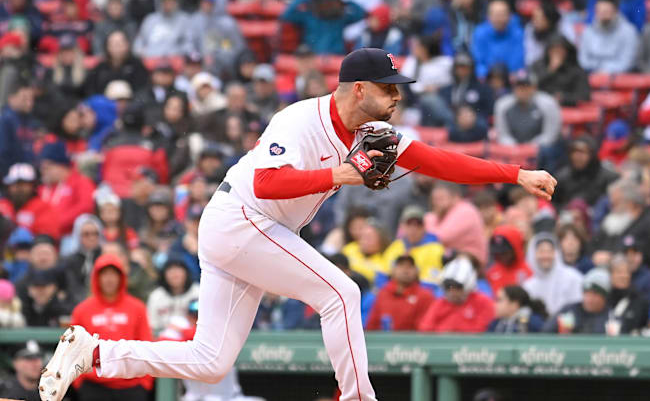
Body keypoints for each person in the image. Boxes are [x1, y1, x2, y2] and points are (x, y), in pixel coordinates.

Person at [40, 47, 556, 401]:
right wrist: (342, 174)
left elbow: (440, 161)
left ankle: (97, 351)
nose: (397, 95)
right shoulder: (298, 119)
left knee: (212, 360)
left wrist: (515, 174)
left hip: (251, 231)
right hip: (242, 218)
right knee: (342, 293)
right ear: (358, 89)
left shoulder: (377, 132)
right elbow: (266, 183)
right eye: (388, 87)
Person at [69, 253, 154, 400]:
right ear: (97, 278)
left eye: (113, 274)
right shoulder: (82, 310)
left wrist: (145, 382)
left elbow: (146, 343)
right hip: (93, 387)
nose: (109, 279)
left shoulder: (137, 307)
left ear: (121, 277)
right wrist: (79, 383)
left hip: (132, 386)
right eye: (105, 274)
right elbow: (73, 349)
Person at [591, 179, 650, 270]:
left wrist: (613, 257)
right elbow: (593, 244)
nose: (610, 207)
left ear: (631, 203)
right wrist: (595, 255)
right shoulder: (611, 220)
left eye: (615, 203)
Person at [419, 255, 495, 333]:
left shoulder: (483, 302)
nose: (452, 292)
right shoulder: (440, 303)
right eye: (448, 287)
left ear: (468, 286)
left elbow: (481, 330)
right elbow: (425, 328)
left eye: (458, 287)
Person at [37, 141, 96, 236]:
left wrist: (56, 222)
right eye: (42, 168)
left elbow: (86, 206)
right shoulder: (42, 188)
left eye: (47, 168)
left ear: (61, 166)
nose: (43, 172)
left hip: (71, 235)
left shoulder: (81, 182)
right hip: (44, 236)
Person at [424, 182, 488, 267]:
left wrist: (429, 219)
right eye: (434, 199)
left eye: (440, 198)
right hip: (451, 260)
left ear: (455, 197)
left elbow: (440, 237)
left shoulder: (465, 210)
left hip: (472, 262)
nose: (436, 203)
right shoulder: (442, 213)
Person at [365, 255, 434, 331]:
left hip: (413, 341)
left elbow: (425, 327)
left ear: (416, 271)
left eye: (410, 266)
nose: (405, 270)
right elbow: (372, 324)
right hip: (384, 340)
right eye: (401, 266)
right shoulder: (383, 293)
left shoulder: (425, 296)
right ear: (393, 270)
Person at [281, 0, 366, 55]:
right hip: (313, 57)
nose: (327, 5)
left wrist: (344, 1)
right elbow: (286, 16)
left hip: (335, 59)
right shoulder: (308, 16)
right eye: (323, 2)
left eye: (330, 2)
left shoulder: (340, 18)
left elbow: (361, 13)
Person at [399, 34, 454, 126]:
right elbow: (406, 83)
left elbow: (450, 83)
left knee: (429, 100)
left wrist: (436, 88)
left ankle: (450, 123)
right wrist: (423, 88)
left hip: (441, 97)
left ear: (425, 48)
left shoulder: (445, 62)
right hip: (413, 99)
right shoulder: (412, 62)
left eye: (417, 47)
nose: (414, 49)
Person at [522, 233, 583, 315]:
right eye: (541, 251)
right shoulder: (528, 285)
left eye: (549, 251)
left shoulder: (573, 277)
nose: (545, 256)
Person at [185, 0, 246, 78]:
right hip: (199, 65)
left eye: (210, 2)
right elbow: (189, 44)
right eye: (204, 1)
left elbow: (235, 47)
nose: (206, 5)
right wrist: (199, 57)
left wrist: (216, 57)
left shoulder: (228, 24)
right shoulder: (195, 21)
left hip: (224, 68)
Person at [494, 73, 561, 146]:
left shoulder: (548, 103)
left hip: (541, 148)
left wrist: (531, 147)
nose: (523, 90)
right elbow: (502, 135)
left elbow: (550, 134)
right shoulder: (502, 105)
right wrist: (516, 148)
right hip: (512, 149)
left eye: (526, 86)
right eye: (519, 86)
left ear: (534, 88)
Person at [385, 206, 444, 288]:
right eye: (409, 224)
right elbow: (383, 274)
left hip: (422, 293)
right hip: (395, 291)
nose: (413, 228)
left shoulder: (435, 248)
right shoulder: (396, 246)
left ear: (424, 227)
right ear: (402, 226)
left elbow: (433, 282)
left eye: (418, 224)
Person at [553, 135, 619, 209]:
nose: (577, 156)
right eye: (574, 152)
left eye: (582, 152)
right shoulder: (562, 177)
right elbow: (554, 204)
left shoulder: (609, 178)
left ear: (592, 155)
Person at [578, 0, 639, 73]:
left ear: (616, 11)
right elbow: (583, 60)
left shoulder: (629, 32)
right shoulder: (588, 31)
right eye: (599, 12)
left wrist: (604, 70)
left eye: (606, 12)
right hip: (590, 75)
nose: (602, 16)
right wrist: (598, 68)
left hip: (619, 78)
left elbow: (627, 62)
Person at [0, 163, 60, 240]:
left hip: (30, 249)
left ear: (33, 186)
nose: (19, 189)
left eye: (24, 184)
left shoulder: (43, 207)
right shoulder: (2, 205)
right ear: (8, 186)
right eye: (15, 184)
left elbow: (47, 237)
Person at [543, 267, 611, 334]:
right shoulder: (568, 310)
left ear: (604, 297)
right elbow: (546, 332)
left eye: (595, 294)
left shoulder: (611, 317)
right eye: (586, 293)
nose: (589, 299)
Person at [530, 35, 590, 107]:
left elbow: (584, 95)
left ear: (567, 51)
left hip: (567, 108)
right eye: (553, 49)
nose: (556, 52)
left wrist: (564, 98)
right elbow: (530, 86)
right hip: (540, 107)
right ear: (548, 51)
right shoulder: (538, 65)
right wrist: (550, 70)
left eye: (560, 49)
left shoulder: (576, 70)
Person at [470, 0, 524, 79]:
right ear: (488, 17)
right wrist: (487, 75)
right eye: (495, 15)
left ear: (510, 16)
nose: (499, 19)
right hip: (487, 77)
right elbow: (478, 61)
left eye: (502, 14)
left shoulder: (517, 33)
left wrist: (508, 75)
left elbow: (518, 60)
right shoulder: (479, 33)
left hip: (510, 77)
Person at [85, 30, 149, 97]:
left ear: (127, 45)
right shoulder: (100, 68)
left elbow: (142, 91)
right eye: (113, 44)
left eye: (119, 44)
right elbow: (91, 90)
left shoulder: (137, 66)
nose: (117, 48)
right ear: (107, 47)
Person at [147, 257, 200, 332]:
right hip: (165, 339)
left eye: (178, 270)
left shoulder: (198, 292)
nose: (175, 274)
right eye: (170, 271)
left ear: (186, 272)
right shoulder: (156, 296)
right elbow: (153, 326)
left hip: (193, 337)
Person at [0, 81, 41, 177]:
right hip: (10, 175)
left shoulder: (30, 120)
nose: (29, 103)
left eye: (31, 99)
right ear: (11, 98)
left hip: (28, 173)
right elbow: (3, 151)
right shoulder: (5, 120)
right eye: (24, 98)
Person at [606, 254, 650, 335]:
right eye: (619, 272)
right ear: (610, 275)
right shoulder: (603, 300)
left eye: (626, 272)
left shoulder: (641, 301)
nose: (623, 276)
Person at [61, 214, 104, 295]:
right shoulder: (70, 261)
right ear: (78, 235)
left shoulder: (104, 256)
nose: (92, 238)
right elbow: (72, 287)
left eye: (95, 234)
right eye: (86, 234)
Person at [486, 224, 533, 296]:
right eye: (498, 253)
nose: (501, 256)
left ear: (515, 249)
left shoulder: (528, 272)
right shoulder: (491, 273)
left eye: (505, 252)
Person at [523, 1, 561, 67]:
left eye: (539, 19)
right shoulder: (530, 29)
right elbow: (529, 59)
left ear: (549, 20)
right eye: (534, 18)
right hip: (537, 69)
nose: (534, 22)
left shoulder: (561, 31)